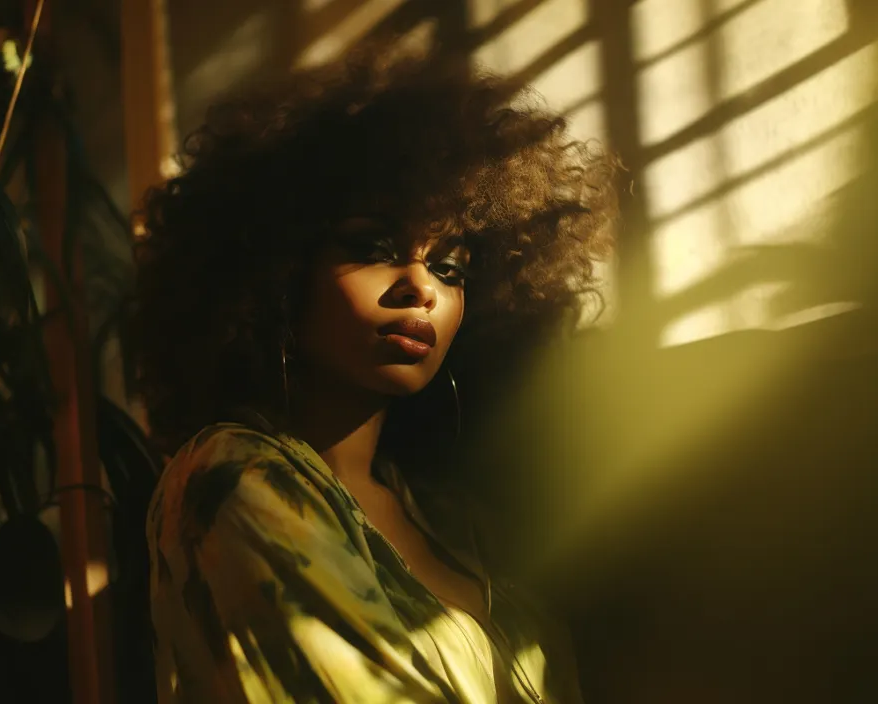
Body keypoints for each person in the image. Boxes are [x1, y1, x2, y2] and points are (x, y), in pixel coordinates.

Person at [132, 38, 615, 703]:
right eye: (373, 248)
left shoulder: (449, 519)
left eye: (451, 267)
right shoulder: (233, 477)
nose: (421, 288)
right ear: (277, 273)